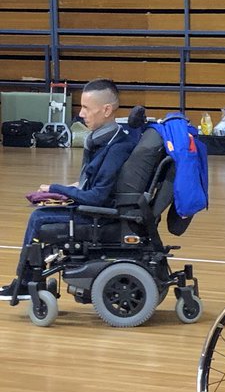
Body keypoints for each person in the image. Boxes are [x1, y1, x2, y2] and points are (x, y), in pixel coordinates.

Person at [1, 79, 139, 301]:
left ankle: (26, 283)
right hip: (100, 207)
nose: (81, 114)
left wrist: (59, 189)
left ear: (106, 110)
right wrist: (63, 191)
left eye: (86, 108)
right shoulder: (109, 140)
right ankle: (30, 278)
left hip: (102, 217)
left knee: (38, 218)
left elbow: (97, 197)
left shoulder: (116, 148)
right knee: (44, 209)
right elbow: (94, 185)